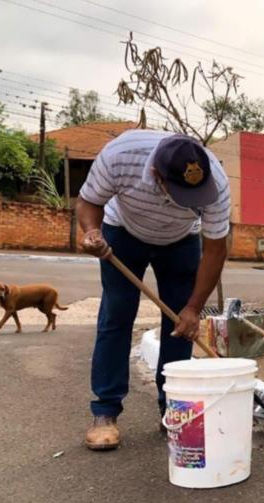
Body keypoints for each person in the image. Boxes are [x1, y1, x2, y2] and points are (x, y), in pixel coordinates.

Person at [76, 130, 231, 451]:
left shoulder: (215, 181)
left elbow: (215, 250)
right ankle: (105, 411)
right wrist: (92, 232)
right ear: (156, 175)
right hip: (123, 234)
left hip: (181, 241)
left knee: (181, 325)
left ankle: (172, 408)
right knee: (117, 314)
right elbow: (89, 201)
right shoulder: (121, 155)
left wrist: (194, 308)